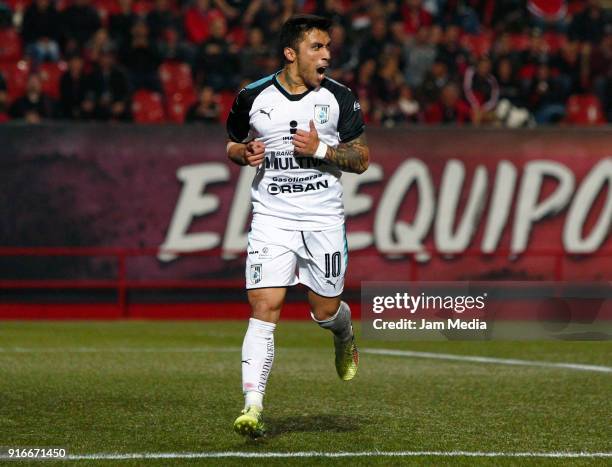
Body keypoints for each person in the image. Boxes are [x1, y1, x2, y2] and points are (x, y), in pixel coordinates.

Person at [225, 14, 369, 438]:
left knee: (323, 311)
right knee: (264, 307)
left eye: (328, 47)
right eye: (317, 47)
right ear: (291, 54)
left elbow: (361, 159)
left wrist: (322, 148)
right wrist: (243, 151)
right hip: (272, 217)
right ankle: (252, 405)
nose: (327, 54)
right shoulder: (252, 97)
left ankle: (344, 335)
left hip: (323, 218)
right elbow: (232, 144)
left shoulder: (340, 98)